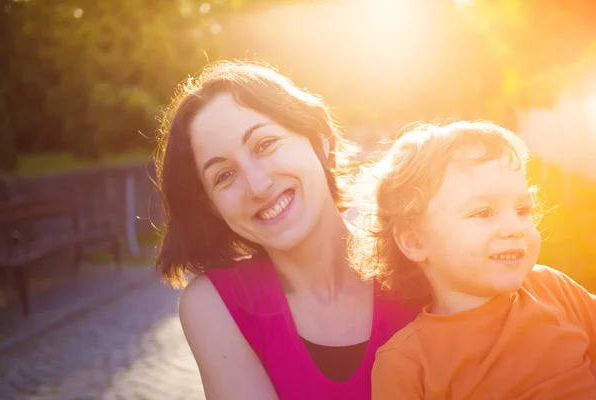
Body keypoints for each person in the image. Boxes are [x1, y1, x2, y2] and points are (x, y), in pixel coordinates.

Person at [154, 60, 417, 399]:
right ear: (211, 207)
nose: (258, 185)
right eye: (224, 175)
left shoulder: (426, 264)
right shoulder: (214, 306)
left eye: (264, 145)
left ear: (318, 139)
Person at [348, 121, 596, 399]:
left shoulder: (552, 288)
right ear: (415, 242)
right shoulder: (407, 363)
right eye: (483, 212)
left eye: (522, 209)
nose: (514, 227)